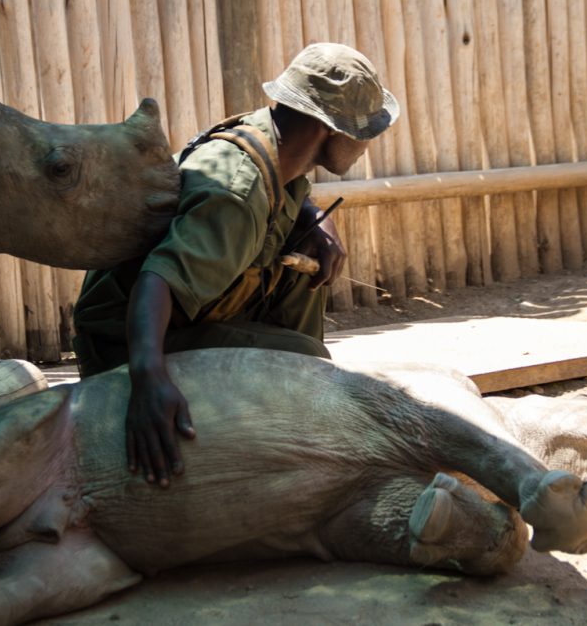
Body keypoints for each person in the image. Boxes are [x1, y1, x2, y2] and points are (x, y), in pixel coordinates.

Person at [73, 42, 399, 487]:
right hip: (122, 341)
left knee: (303, 268)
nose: (367, 143)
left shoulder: (269, 139)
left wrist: (315, 220)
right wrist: (147, 382)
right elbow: (156, 280)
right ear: (329, 128)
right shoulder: (236, 194)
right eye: (365, 131)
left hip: (174, 314)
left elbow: (292, 189)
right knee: (304, 361)